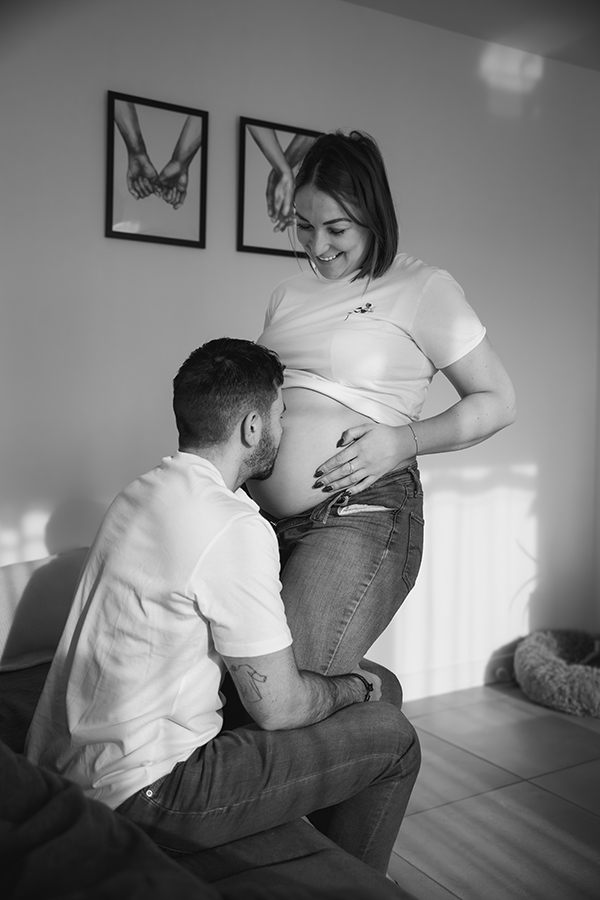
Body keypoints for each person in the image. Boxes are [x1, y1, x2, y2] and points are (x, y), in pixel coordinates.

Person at [25, 338, 420, 875]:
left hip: (64, 765)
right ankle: (348, 886)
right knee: (394, 737)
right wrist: (355, 688)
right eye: (282, 414)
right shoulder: (231, 524)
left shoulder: (141, 492)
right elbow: (278, 708)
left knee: (381, 683)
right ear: (253, 428)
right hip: (148, 793)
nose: (285, 428)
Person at [249, 130, 517, 676]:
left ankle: (369, 697)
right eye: (304, 225)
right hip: (262, 519)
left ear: (373, 215)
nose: (317, 245)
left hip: (361, 508)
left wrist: (401, 442)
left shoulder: (421, 287)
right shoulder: (287, 295)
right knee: (238, 681)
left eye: (336, 229)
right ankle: (368, 691)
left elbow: (498, 402)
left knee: (287, 682)